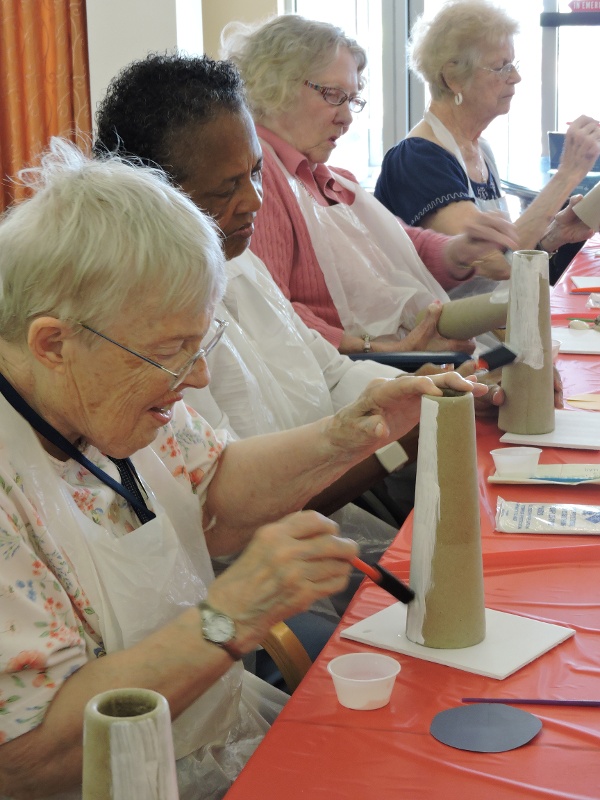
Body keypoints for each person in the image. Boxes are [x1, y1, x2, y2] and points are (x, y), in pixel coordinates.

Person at [0, 138, 487, 799]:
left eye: (199, 346)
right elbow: (27, 759)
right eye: (174, 351)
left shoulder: (102, 391)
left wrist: (353, 432)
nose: (196, 376)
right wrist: (230, 615)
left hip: (206, 747)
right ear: (52, 343)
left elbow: (212, 493)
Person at [221, 14, 519, 355]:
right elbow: (271, 312)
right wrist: (377, 348)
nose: (346, 118)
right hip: (345, 374)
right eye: (333, 95)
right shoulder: (262, 179)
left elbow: (399, 244)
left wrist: (458, 253)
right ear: (273, 84)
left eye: (352, 100)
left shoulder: (332, 179)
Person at [374, 0, 600, 293]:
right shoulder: (418, 158)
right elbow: (493, 263)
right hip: (443, 335)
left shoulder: (480, 150)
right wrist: (567, 175)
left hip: (484, 329)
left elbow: (504, 265)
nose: (515, 77)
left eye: (513, 65)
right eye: (500, 67)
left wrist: (556, 234)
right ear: (453, 78)